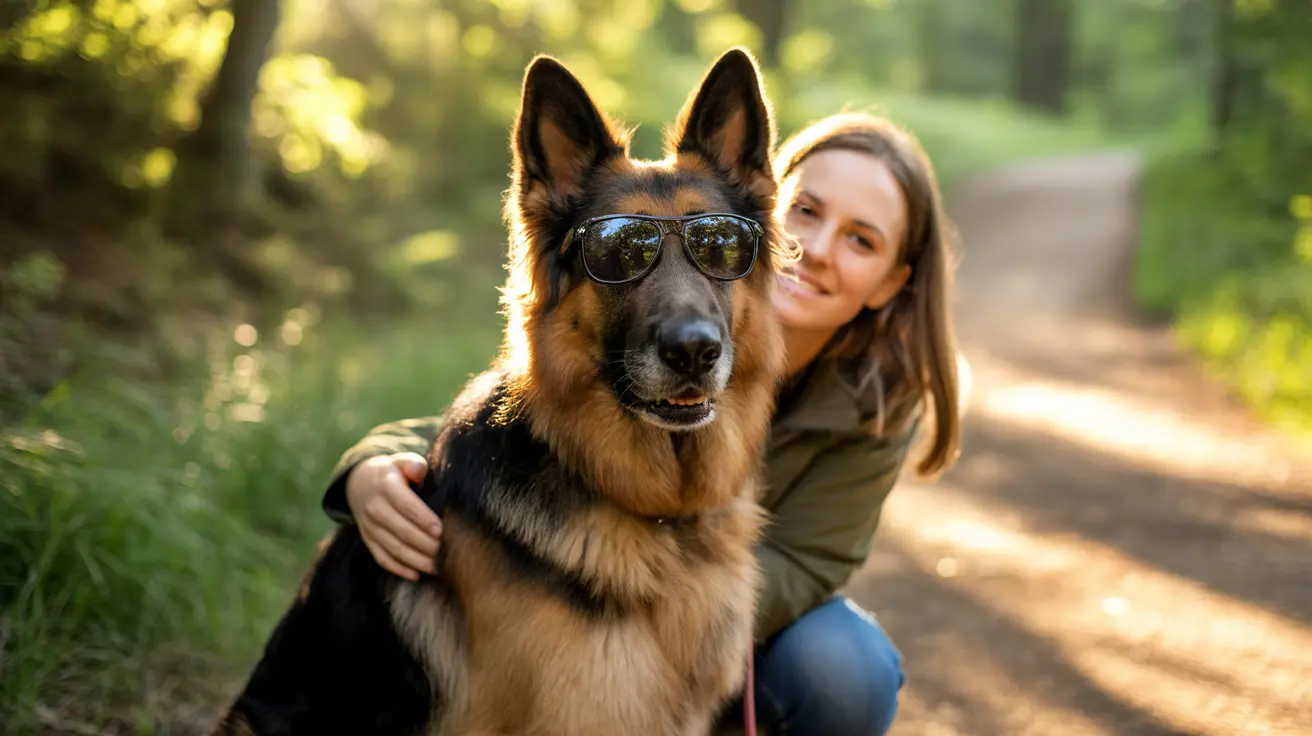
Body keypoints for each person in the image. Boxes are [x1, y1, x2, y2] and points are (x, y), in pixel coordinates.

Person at [319, 111, 964, 736]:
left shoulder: (877, 403)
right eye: (807, 212)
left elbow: (806, 562)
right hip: (623, 606)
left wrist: (659, 623)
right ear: (776, 207)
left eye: (861, 239)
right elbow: (499, 421)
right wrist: (370, 467)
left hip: (726, 619)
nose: (817, 250)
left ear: (889, 282)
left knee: (844, 668)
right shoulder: (596, 341)